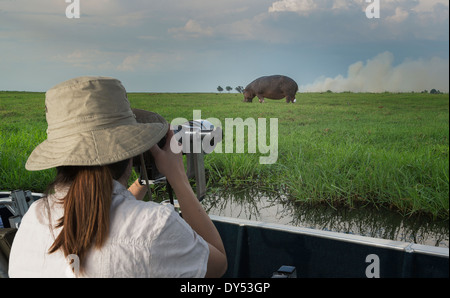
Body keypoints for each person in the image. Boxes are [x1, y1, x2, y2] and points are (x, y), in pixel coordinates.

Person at [8, 76, 227, 278]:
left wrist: (144, 180)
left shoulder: (34, 218)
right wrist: (177, 177)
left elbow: (98, 201)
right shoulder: (155, 227)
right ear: (131, 150)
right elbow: (217, 265)